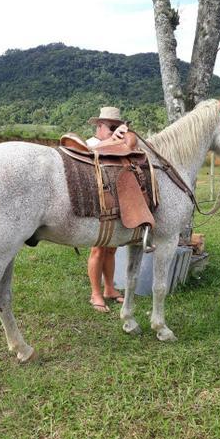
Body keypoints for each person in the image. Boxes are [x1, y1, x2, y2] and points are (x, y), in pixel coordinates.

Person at [86, 107, 129, 313]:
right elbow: (92, 153)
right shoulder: (90, 144)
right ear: (100, 126)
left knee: (111, 248)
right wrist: (114, 140)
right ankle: (95, 293)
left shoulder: (117, 143)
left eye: (117, 127)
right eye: (111, 127)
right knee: (98, 248)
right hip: (97, 201)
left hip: (116, 200)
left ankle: (109, 288)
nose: (114, 131)